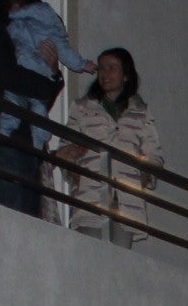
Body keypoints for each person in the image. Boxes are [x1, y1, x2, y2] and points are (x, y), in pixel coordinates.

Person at [0, 0, 64, 215]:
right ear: (16, 10)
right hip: (3, 143)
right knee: (17, 219)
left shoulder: (13, 42)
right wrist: (48, 84)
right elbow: (10, 77)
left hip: (16, 143)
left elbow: (33, 100)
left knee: (23, 220)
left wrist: (52, 73)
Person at [54, 47, 159, 245]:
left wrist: (144, 177)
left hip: (126, 203)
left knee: (118, 265)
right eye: (101, 68)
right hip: (91, 197)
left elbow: (154, 154)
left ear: (126, 75)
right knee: (92, 258)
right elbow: (65, 148)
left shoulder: (141, 111)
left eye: (112, 68)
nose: (105, 73)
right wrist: (74, 172)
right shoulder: (82, 108)